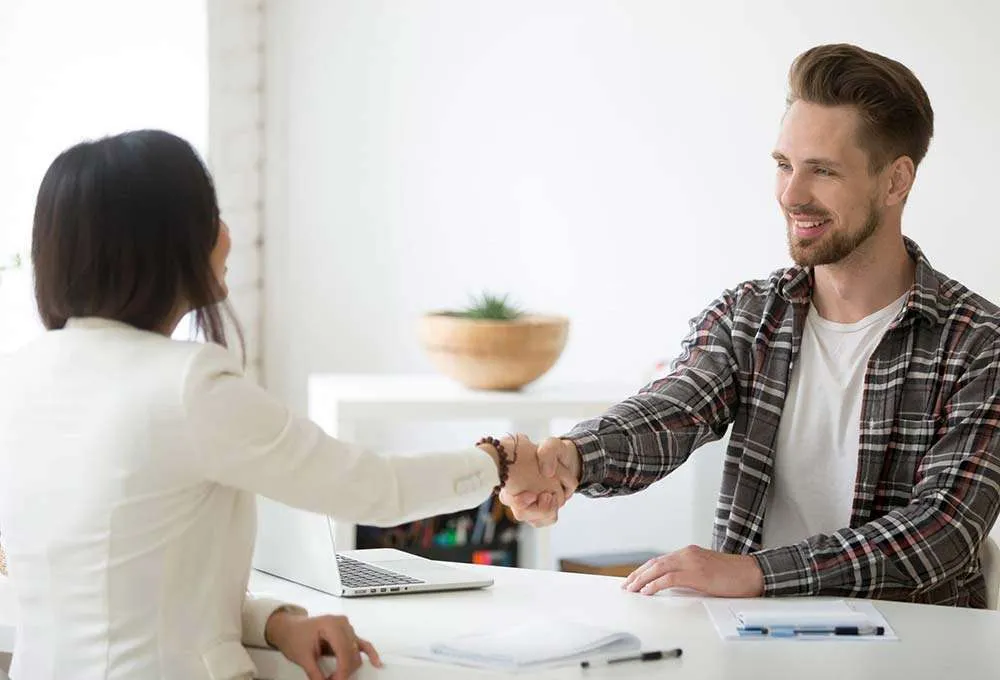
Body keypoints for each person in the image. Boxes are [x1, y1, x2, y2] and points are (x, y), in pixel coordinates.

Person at [0, 129, 563, 680]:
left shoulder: (21, 374)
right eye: (210, 215)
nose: (225, 234)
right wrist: (499, 460)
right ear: (166, 240)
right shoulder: (186, 384)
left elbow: (125, 589)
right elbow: (371, 488)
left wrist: (273, 621)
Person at [502, 43, 1000, 608]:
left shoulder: (979, 343)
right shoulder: (751, 315)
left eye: (823, 171)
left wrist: (756, 573)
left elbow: (944, 531)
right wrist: (571, 459)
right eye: (784, 164)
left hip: (920, 653)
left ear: (895, 181)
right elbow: (673, 407)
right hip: (754, 647)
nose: (791, 195)